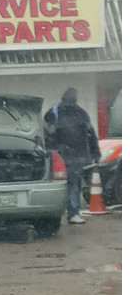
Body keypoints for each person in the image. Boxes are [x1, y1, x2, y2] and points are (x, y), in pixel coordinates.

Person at [44, 87, 101, 224]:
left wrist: (50, 150)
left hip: (58, 155)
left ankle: (52, 215)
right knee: (74, 184)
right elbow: (90, 134)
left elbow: (47, 134)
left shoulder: (53, 112)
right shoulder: (80, 112)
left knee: (58, 184)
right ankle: (73, 213)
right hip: (77, 155)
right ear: (75, 99)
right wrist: (95, 153)